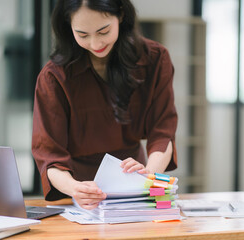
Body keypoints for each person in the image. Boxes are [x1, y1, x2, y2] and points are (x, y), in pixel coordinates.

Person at [31, 0, 177, 210]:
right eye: (82, 35)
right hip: (77, 190)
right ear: (68, 27)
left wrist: (148, 175)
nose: (95, 43)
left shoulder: (154, 58)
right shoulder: (54, 77)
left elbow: (163, 132)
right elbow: (49, 155)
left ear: (121, 15)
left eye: (103, 31)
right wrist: (74, 188)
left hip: (134, 181)